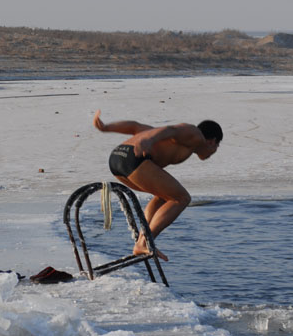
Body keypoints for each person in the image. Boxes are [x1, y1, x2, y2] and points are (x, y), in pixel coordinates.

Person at [93, 109, 223, 260]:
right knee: (182, 198)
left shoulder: (175, 141)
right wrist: (146, 141)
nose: (214, 151)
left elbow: (136, 127)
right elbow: (170, 129)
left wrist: (106, 127)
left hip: (117, 159)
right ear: (212, 141)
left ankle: (144, 239)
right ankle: (144, 242)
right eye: (217, 146)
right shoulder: (195, 134)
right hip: (132, 160)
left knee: (163, 196)